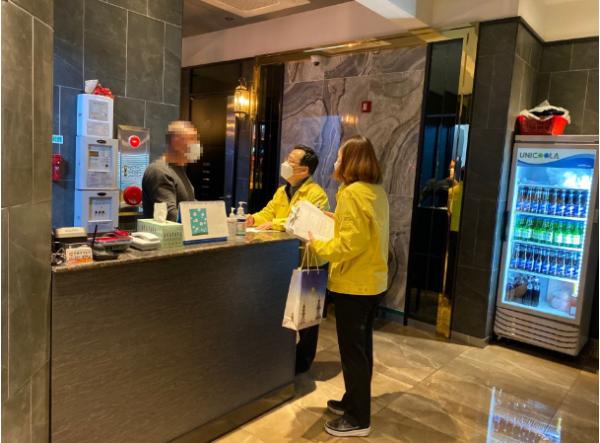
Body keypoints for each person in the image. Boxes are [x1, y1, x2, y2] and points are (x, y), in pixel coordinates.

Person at [308, 135, 389, 438]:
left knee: (353, 353)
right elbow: (363, 229)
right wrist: (333, 217)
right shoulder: (374, 191)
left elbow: (351, 243)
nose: (336, 161)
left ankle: (358, 418)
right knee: (362, 349)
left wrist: (318, 245)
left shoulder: (352, 193)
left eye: (341, 157)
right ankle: (352, 401)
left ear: (352, 161)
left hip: (354, 285)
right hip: (372, 282)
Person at [247, 145, 330, 374]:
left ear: (304, 170)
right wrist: (253, 219)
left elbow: (302, 221)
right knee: (287, 311)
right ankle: (283, 358)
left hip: (309, 261)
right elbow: (269, 212)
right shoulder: (282, 191)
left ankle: (303, 362)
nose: (285, 163)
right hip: (285, 260)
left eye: (291, 161)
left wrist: (274, 223)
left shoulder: (316, 194)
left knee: (307, 316)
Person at [142, 121, 201, 221]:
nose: (197, 144)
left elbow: (189, 203)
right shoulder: (159, 171)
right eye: (192, 138)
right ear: (175, 142)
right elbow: (170, 216)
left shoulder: (178, 170)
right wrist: (204, 220)